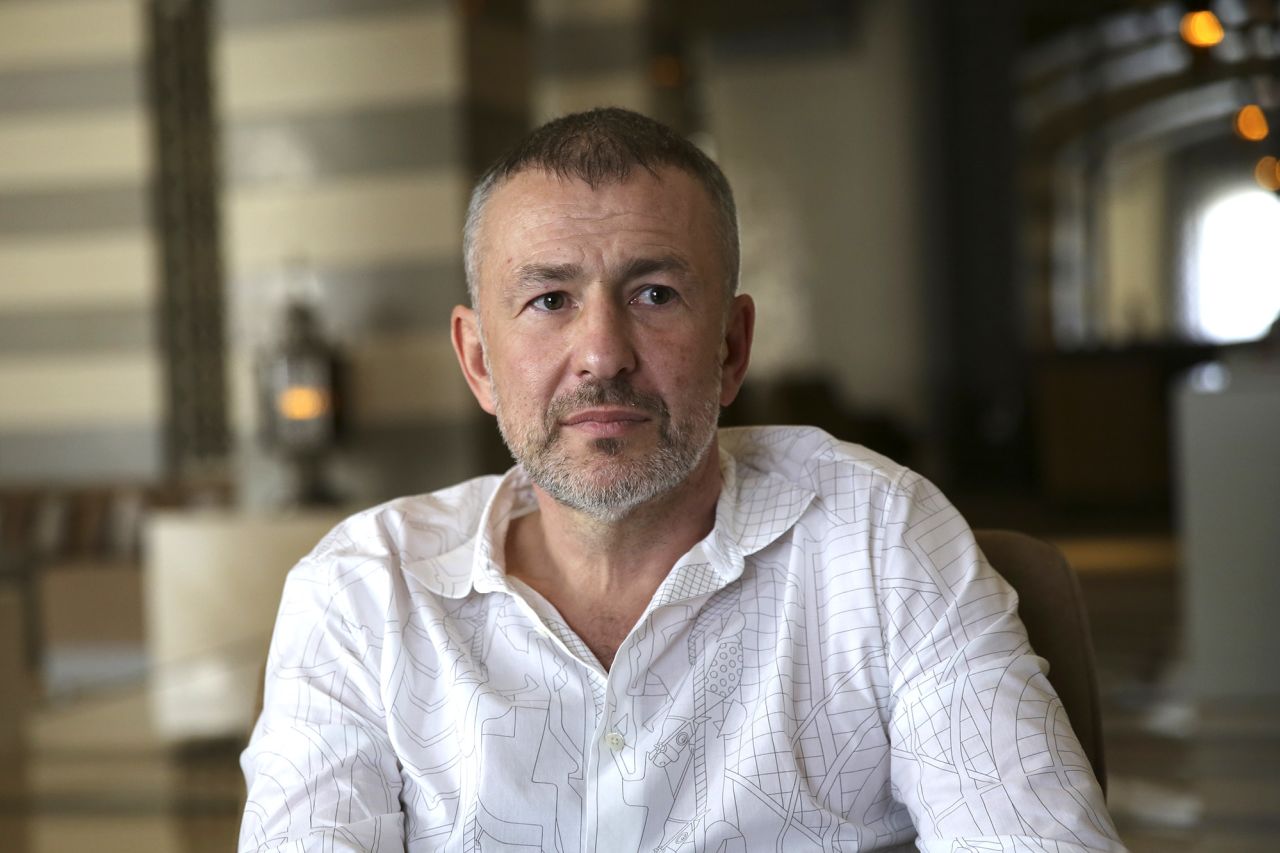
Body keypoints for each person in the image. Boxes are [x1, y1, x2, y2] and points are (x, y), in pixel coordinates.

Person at [240, 108, 1125, 852]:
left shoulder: (877, 540)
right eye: (549, 299)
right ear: (478, 360)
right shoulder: (362, 593)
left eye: (654, 293)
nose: (602, 355)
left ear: (732, 347)